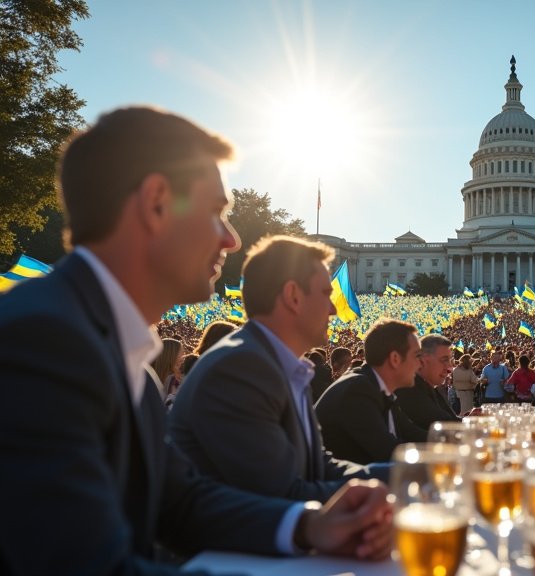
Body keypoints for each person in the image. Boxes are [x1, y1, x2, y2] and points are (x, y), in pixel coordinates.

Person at [0, 107, 392, 574]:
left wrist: (310, 525)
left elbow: (180, 502)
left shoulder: (126, 363)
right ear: (156, 203)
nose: (230, 240)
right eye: (216, 213)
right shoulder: (44, 340)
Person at [169, 236, 380, 503]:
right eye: (326, 294)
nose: (334, 310)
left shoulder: (281, 366)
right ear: (293, 296)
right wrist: (397, 486)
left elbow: (320, 467)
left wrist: (409, 474)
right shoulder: (241, 369)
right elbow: (280, 494)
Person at [316, 319, 427, 464]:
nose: (421, 363)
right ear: (395, 359)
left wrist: (455, 443)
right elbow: (389, 453)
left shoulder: (376, 388)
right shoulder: (358, 390)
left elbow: (412, 433)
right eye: (417, 356)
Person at [394, 334, 461, 430]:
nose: (450, 368)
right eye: (444, 360)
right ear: (422, 361)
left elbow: (451, 420)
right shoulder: (409, 390)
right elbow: (444, 425)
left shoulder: (432, 387)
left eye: (450, 360)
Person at [151, 337, 184, 401]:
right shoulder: (174, 380)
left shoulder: (150, 377)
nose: (183, 357)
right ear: (172, 355)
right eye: (181, 353)